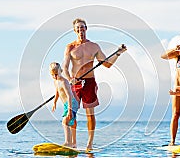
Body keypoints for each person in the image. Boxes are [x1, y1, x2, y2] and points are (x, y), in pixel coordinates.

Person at [62, 18, 126, 150]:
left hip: (89, 83)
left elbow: (107, 64)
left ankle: (89, 144)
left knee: (90, 114)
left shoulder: (94, 46)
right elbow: (65, 68)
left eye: (83, 27)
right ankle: (73, 143)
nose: (81, 30)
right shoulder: (70, 47)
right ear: (75, 30)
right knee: (72, 113)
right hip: (76, 82)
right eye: (78, 28)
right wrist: (69, 79)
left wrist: (118, 54)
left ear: (86, 29)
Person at [50, 62, 79, 148]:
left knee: (65, 121)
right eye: (53, 75)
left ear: (60, 72)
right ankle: (74, 143)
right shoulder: (56, 81)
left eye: (56, 74)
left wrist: (69, 110)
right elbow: (57, 92)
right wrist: (55, 102)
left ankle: (68, 142)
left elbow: (70, 96)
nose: (55, 76)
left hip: (71, 103)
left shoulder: (64, 82)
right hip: (66, 104)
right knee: (72, 122)